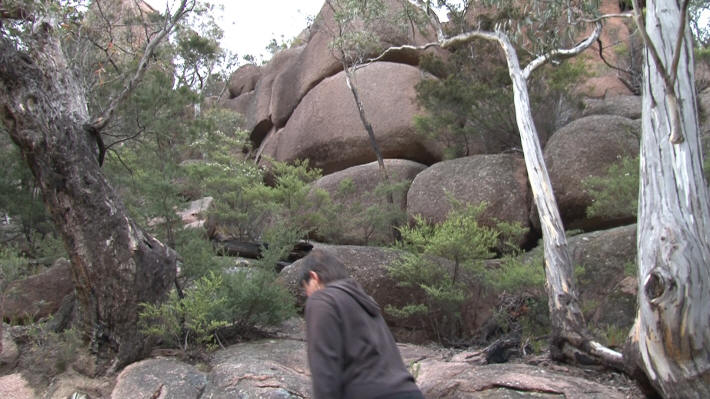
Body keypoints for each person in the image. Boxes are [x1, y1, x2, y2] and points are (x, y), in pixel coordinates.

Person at [299, 249, 425, 399]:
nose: (307, 295)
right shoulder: (366, 302)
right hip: (409, 392)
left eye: (306, 289)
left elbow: (324, 370)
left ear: (314, 277)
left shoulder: (322, 300)